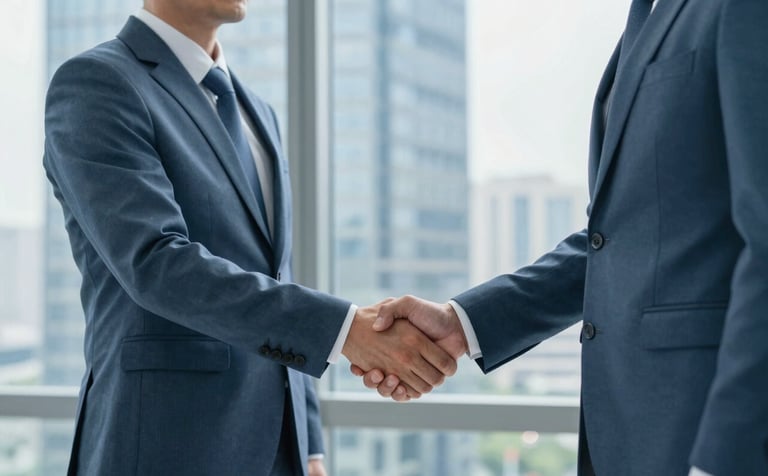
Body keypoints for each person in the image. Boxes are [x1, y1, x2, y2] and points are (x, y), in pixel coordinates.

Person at [43, 1, 457, 475]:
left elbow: (277, 273)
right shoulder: (98, 83)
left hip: (278, 450)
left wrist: (310, 445)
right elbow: (156, 264)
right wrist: (347, 332)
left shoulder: (255, 111)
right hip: (164, 442)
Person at [356, 0, 768, 474]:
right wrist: (464, 322)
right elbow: (616, 240)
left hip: (707, 434)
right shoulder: (646, 14)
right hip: (636, 433)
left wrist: (727, 456)